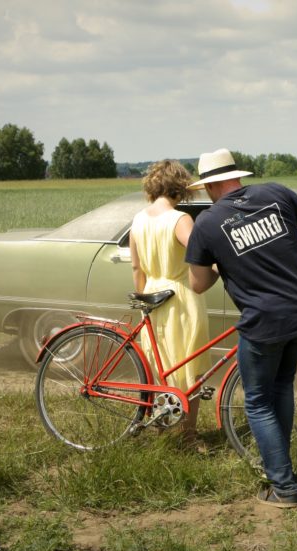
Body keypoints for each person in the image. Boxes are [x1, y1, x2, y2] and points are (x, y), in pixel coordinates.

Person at [185, 148, 297, 508]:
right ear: (238, 176)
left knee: (258, 402)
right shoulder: (275, 192)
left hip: (264, 321)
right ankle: (282, 466)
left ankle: (284, 486)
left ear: (208, 187)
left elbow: (198, 284)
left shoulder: (207, 224)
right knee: (282, 383)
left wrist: (222, 263)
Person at [129, 159, 209, 443]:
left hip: (152, 296)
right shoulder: (180, 219)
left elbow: (137, 268)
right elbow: (200, 250)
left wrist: (144, 301)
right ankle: (189, 434)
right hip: (180, 296)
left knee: (161, 365)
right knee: (191, 366)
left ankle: (164, 428)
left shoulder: (138, 220)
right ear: (180, 188)